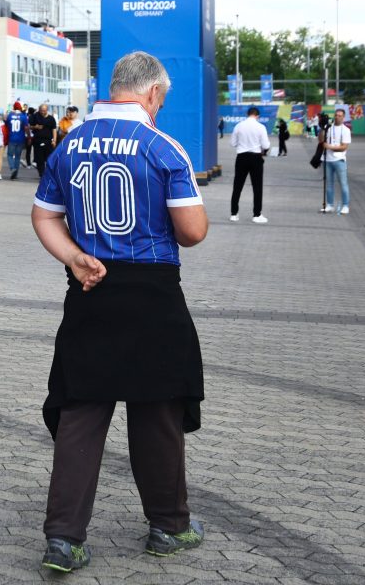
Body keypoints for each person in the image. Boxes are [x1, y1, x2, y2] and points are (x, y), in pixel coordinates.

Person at [32, 51, 209, 573]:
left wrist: (74, 257)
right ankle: (168, 526)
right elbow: (192, 232)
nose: (162, 105)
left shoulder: (69, 144)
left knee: (81, 411)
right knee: (157, 411)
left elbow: (43, 216)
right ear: (152, 92)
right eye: (163, 98)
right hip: (153, 294)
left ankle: (63, 540)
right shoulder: (163, 147)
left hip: (90, 287)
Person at [229, 106, 270, 223]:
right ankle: (257, 215)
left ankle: (234, 214)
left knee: (237, 186)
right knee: (257, 187)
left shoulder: (239, 126)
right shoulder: (261, 127)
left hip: (241, 157)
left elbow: (232, 143)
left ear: (247, 114)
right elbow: (266, 145)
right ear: (257, 116)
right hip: (256, 158)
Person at [321, 108, 350, 214]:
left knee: (343, 184)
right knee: (329, 184)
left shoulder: (346, 130)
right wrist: (322, 128)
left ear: (343, 117)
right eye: (336, 115)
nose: (337, 117)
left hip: (339, 160)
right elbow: (321, 140)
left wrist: (330, 147)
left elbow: (344, 147)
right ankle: (329, 205)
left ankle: (345, 205)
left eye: (339, 116)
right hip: (327, 160)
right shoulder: (328, 128)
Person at [30, 103, 58, 177]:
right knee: (39, 159)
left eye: (44, 110)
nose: (42, 112)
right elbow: (29, 126)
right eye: (41, 110)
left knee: (49, 158)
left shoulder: (51, 119)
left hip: (48, 141)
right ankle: (41, 174)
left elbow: (54, 129)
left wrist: (54, 140)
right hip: (37, 141)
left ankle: (48, 173)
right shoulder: (35, 116)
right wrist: (35, 127)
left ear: (47, 110)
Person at [5, 101, 29, 180]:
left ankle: (12, 168)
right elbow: (26, 128)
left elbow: (7, 125)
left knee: (10, 155)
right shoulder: (23, 116)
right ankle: (15, 175)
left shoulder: (10, 115)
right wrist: (29, 137)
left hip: (11, 138)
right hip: (20, 138)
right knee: (17, 157)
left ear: (14, 107)